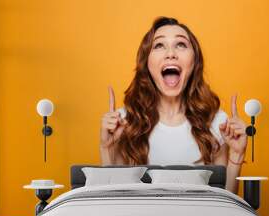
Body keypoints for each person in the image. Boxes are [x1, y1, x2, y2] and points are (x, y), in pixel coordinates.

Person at [100, 16, 247, 194]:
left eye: (181, 44)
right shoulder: (124, 122)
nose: (170, 53)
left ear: (195, 62)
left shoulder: (217, 122)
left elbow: (224, 202)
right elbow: (115, 200)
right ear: (147, 62)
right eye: (159, 45)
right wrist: (107, 148)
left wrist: (236, 155)